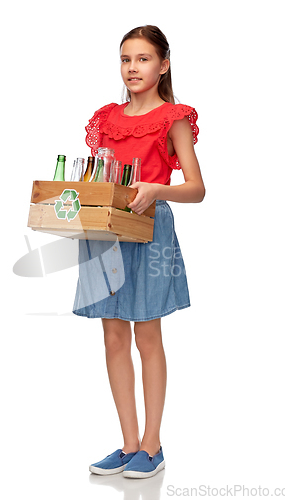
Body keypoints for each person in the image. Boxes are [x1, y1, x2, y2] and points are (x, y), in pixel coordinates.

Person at [73, 25, 205, 479]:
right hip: (106, 230)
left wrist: (156, 188)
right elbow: (97, 173)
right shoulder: (107, 118)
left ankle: (153, 444)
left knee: (147, 336)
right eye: (126, 59)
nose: (133, 67)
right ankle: (128, 444)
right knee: (113, 336)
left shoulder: (175, 117)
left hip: (150, 229)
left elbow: (197, 188)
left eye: (143, 58)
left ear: (163, 64)